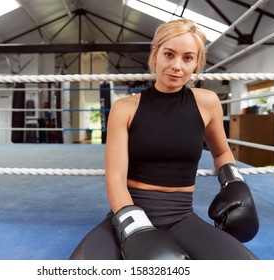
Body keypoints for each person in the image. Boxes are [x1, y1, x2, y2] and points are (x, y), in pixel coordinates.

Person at [70, 18, 259, 260]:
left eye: (187, 58)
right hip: (127, 214)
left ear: (197, 64)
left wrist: (235, 183)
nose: (177, 66)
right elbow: (115, 179)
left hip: (182, 218)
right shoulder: (125, 108)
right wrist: (134, 226)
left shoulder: (207, 103)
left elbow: (221, 153)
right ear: (155, 54)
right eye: (169, 54)